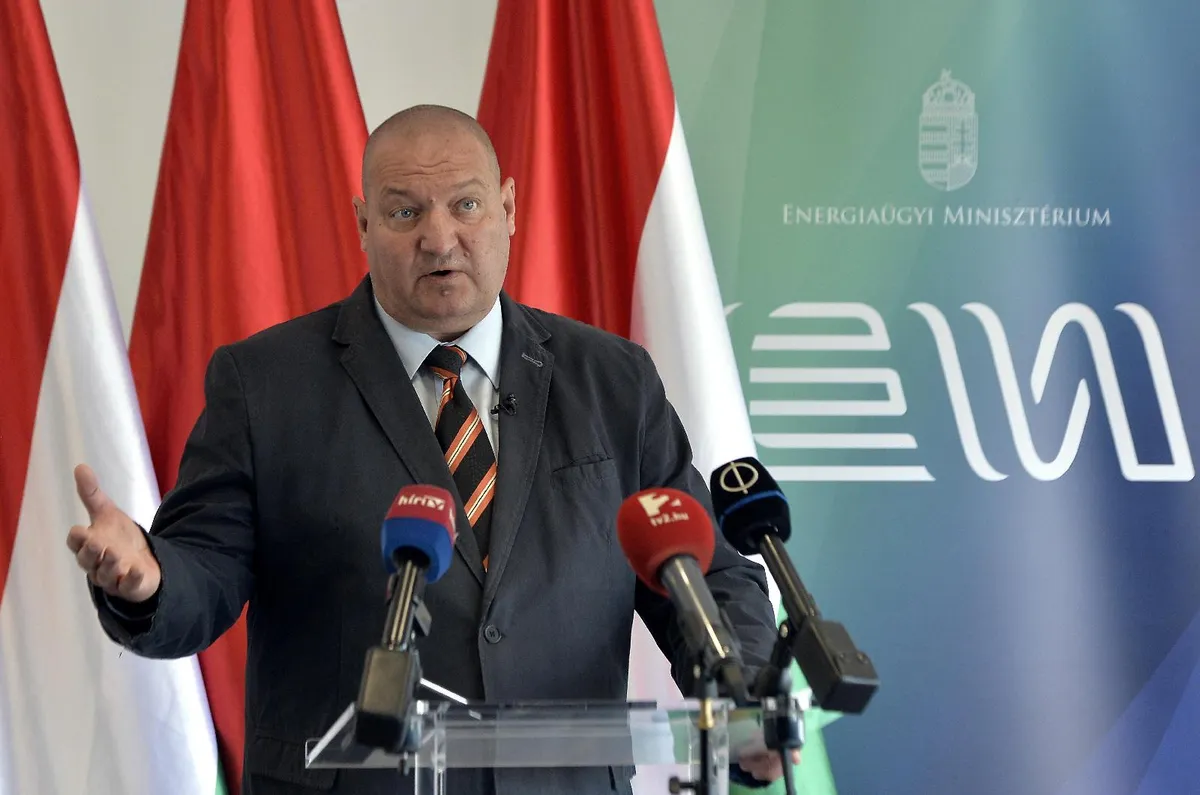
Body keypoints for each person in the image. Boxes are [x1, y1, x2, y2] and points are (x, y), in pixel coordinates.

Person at [67, 105, 794, 795]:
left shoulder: (612, 380)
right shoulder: (266, 384)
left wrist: (749, 697)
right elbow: (206, 567)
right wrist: (150, 578)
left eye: (466, 205)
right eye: (405, 212)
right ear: (363, 223)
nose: (440, 239)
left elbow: (702, 574)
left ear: (508, 207)